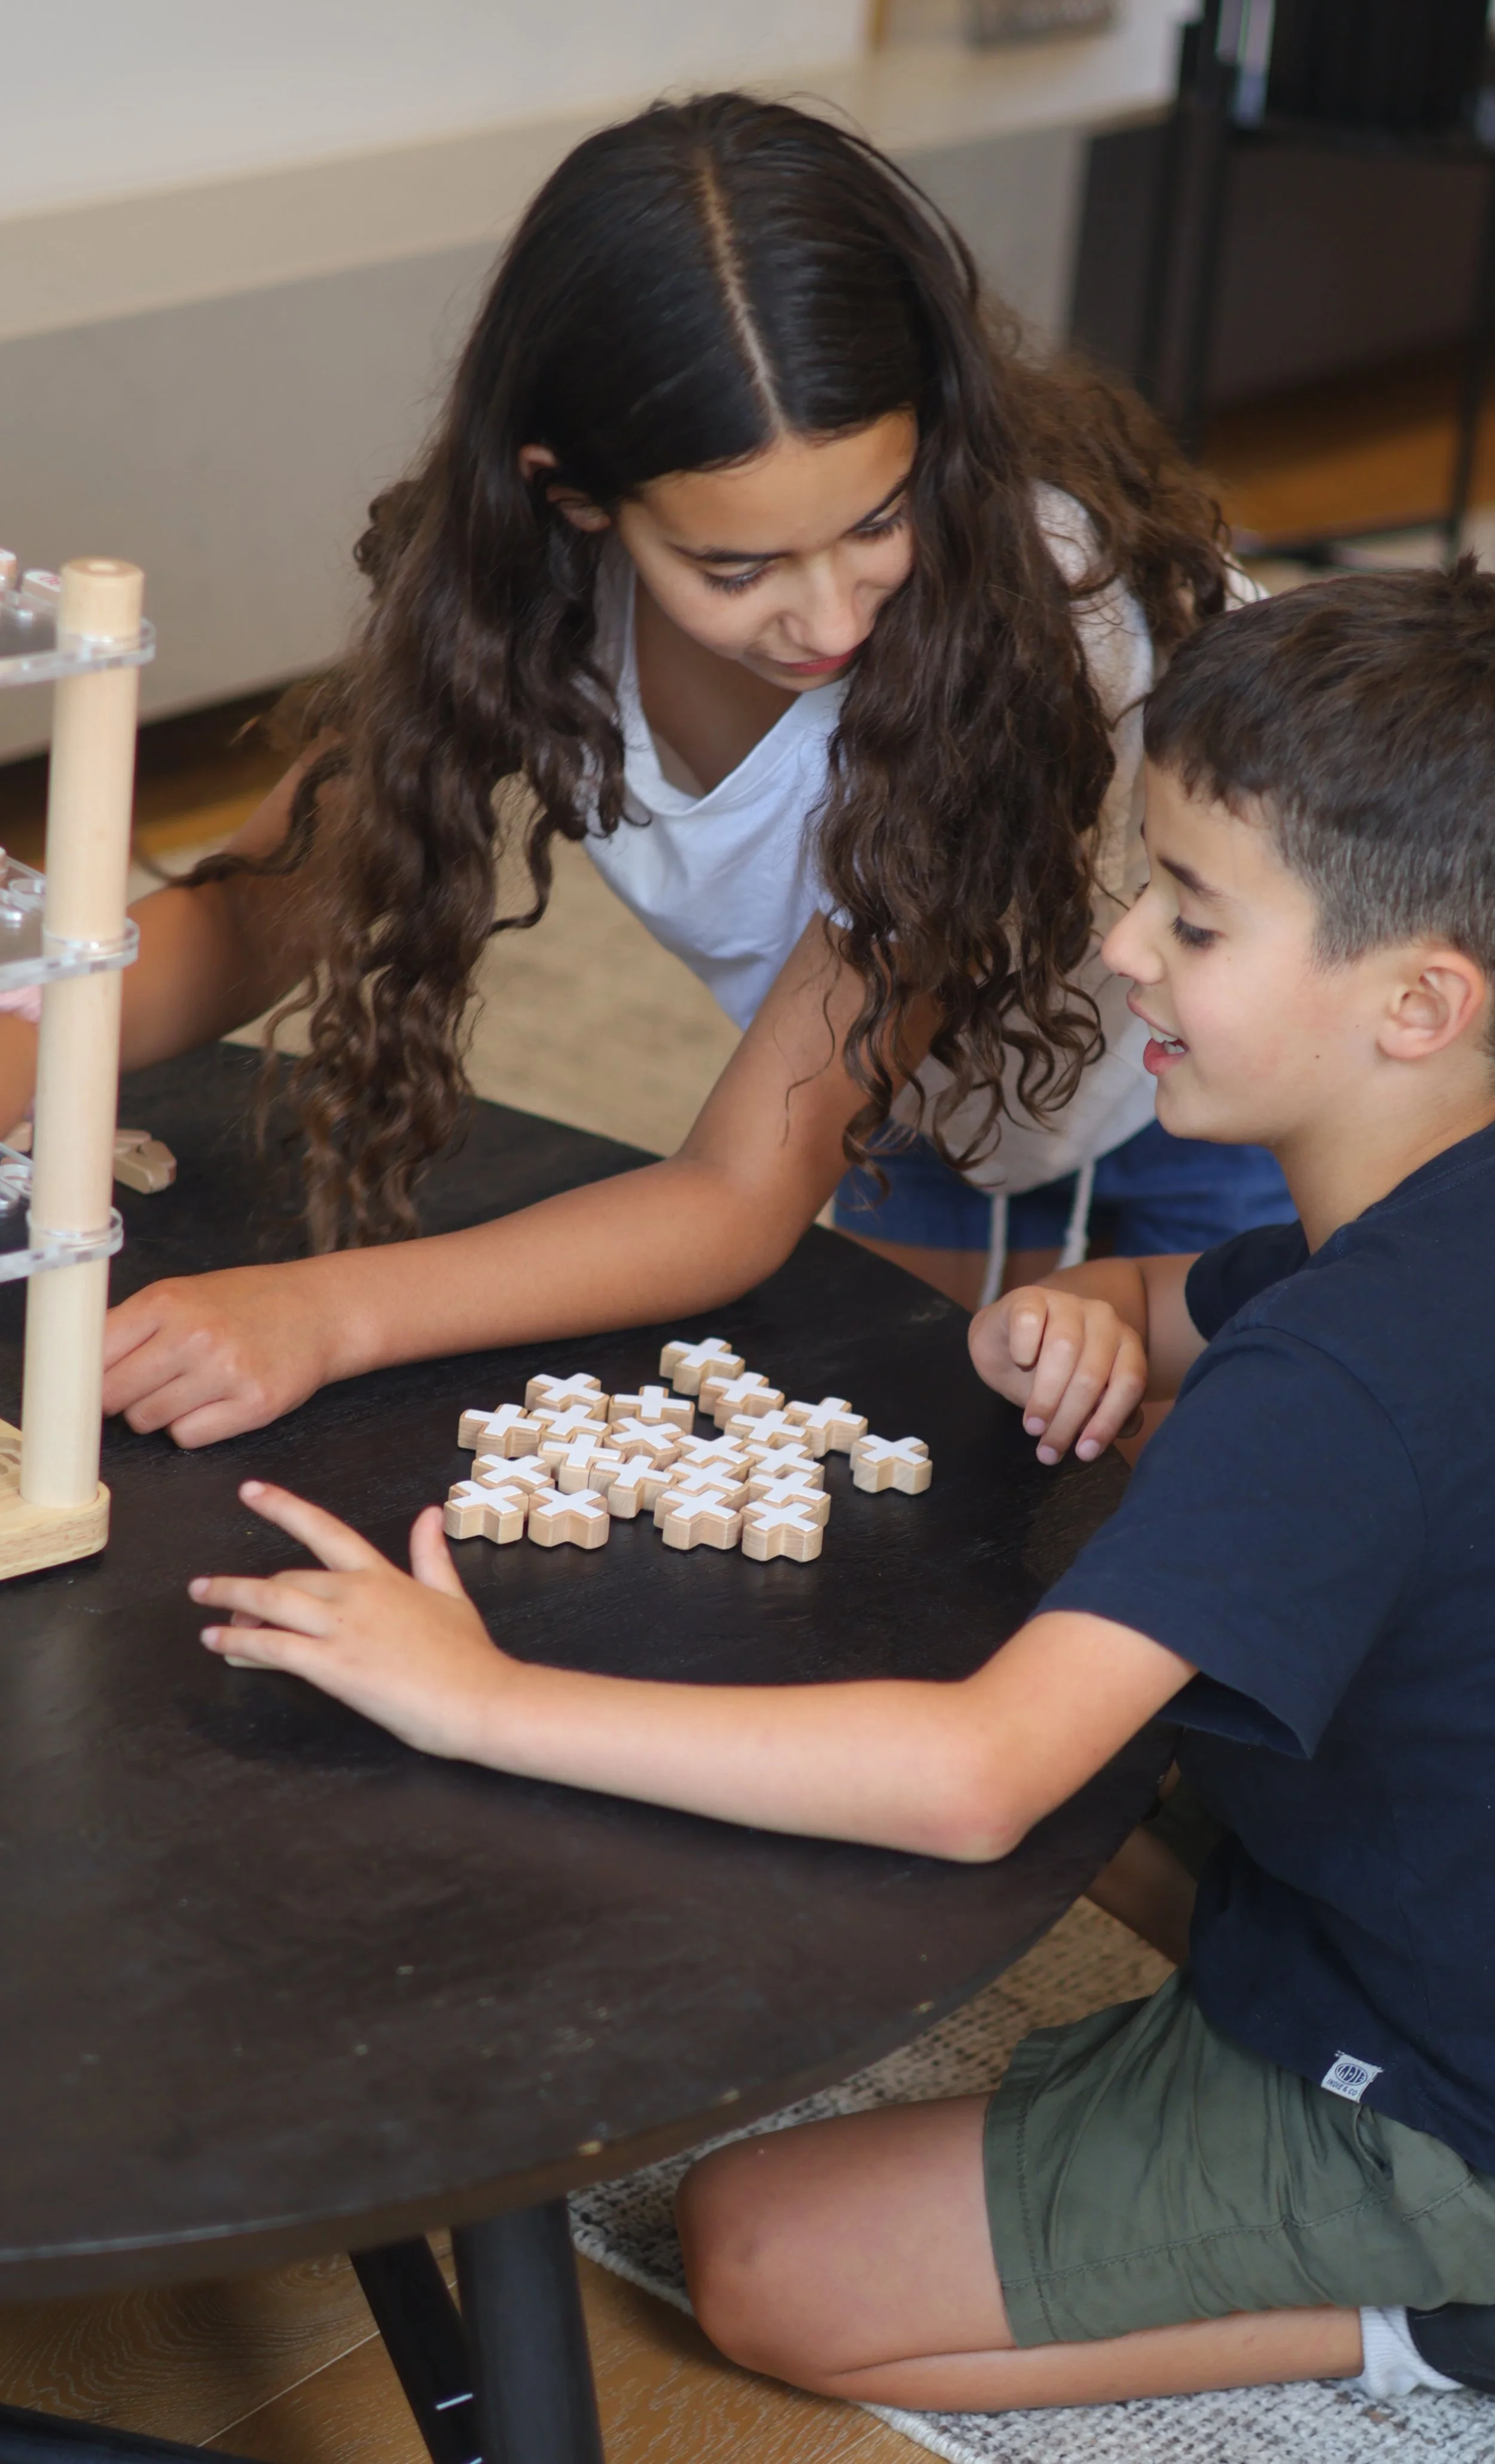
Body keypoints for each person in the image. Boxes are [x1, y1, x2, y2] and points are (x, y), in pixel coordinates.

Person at [191, 565, 1495, 2408]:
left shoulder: (1336, 1378)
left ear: (1421, 1000)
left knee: (763, 2255)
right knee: (1065, 1723)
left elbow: (974, 1786)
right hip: (1431, 1880)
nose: (1119, 946)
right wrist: (1088, 1315)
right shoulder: (1419, 1225)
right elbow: (1169, 1299)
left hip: (1446, 2093)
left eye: (1188, 918)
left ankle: (1446, 2314)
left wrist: (477, 1695)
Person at [24, 91, 1288, 1452]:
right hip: (929, 1104)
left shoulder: (1027, 639)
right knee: (941, 1428)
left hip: (1243, 1092)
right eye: (735, 569)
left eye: (876, 520)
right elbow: (252, 912)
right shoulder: (522, 596)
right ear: (572, 497)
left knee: (1229, 1474)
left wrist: (320, 1314)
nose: (831, 621)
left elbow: (742, 1191)